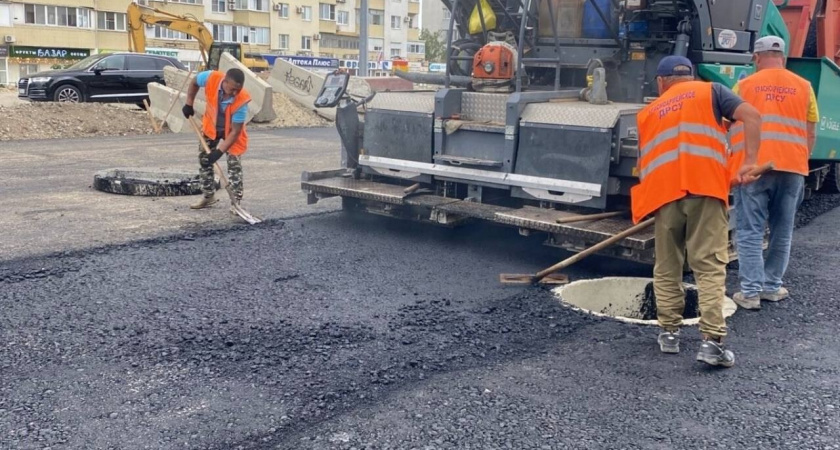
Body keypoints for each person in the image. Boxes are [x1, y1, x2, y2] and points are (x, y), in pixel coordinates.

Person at [631, 56, 762, 368]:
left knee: (667, 265)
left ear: (661, 82)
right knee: (709, 265)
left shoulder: (648, 112)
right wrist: (749, 162)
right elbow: (753, 116)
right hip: (705, 190)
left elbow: (643, 164)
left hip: (665, 195)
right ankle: (712, 342)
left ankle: (668, 334)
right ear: (690, 76)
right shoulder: (712, 91)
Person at [728, 36, 819, 310]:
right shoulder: (804, 86)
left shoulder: (744, 85)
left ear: (757, 57)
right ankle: (771, 286)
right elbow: (810, 132)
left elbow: (728, 123)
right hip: (792, 168)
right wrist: (799, 160)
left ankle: (750, 292)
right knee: (782, 230)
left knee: (750, 230)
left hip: (753, 169)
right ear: (783, 58)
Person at [182, 68, 251, 211]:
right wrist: (189, 103)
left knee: (234, 166)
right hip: (211, 126)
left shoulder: (242, 100)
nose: (235, 93)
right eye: (232, 89)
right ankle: (208, 196)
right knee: (204, 160)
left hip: (231, 132)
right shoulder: (211, 78)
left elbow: (235, 131)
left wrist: (219, 152)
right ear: (225, 81)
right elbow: (194, 82)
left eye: (238, 90)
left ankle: (236, 202)